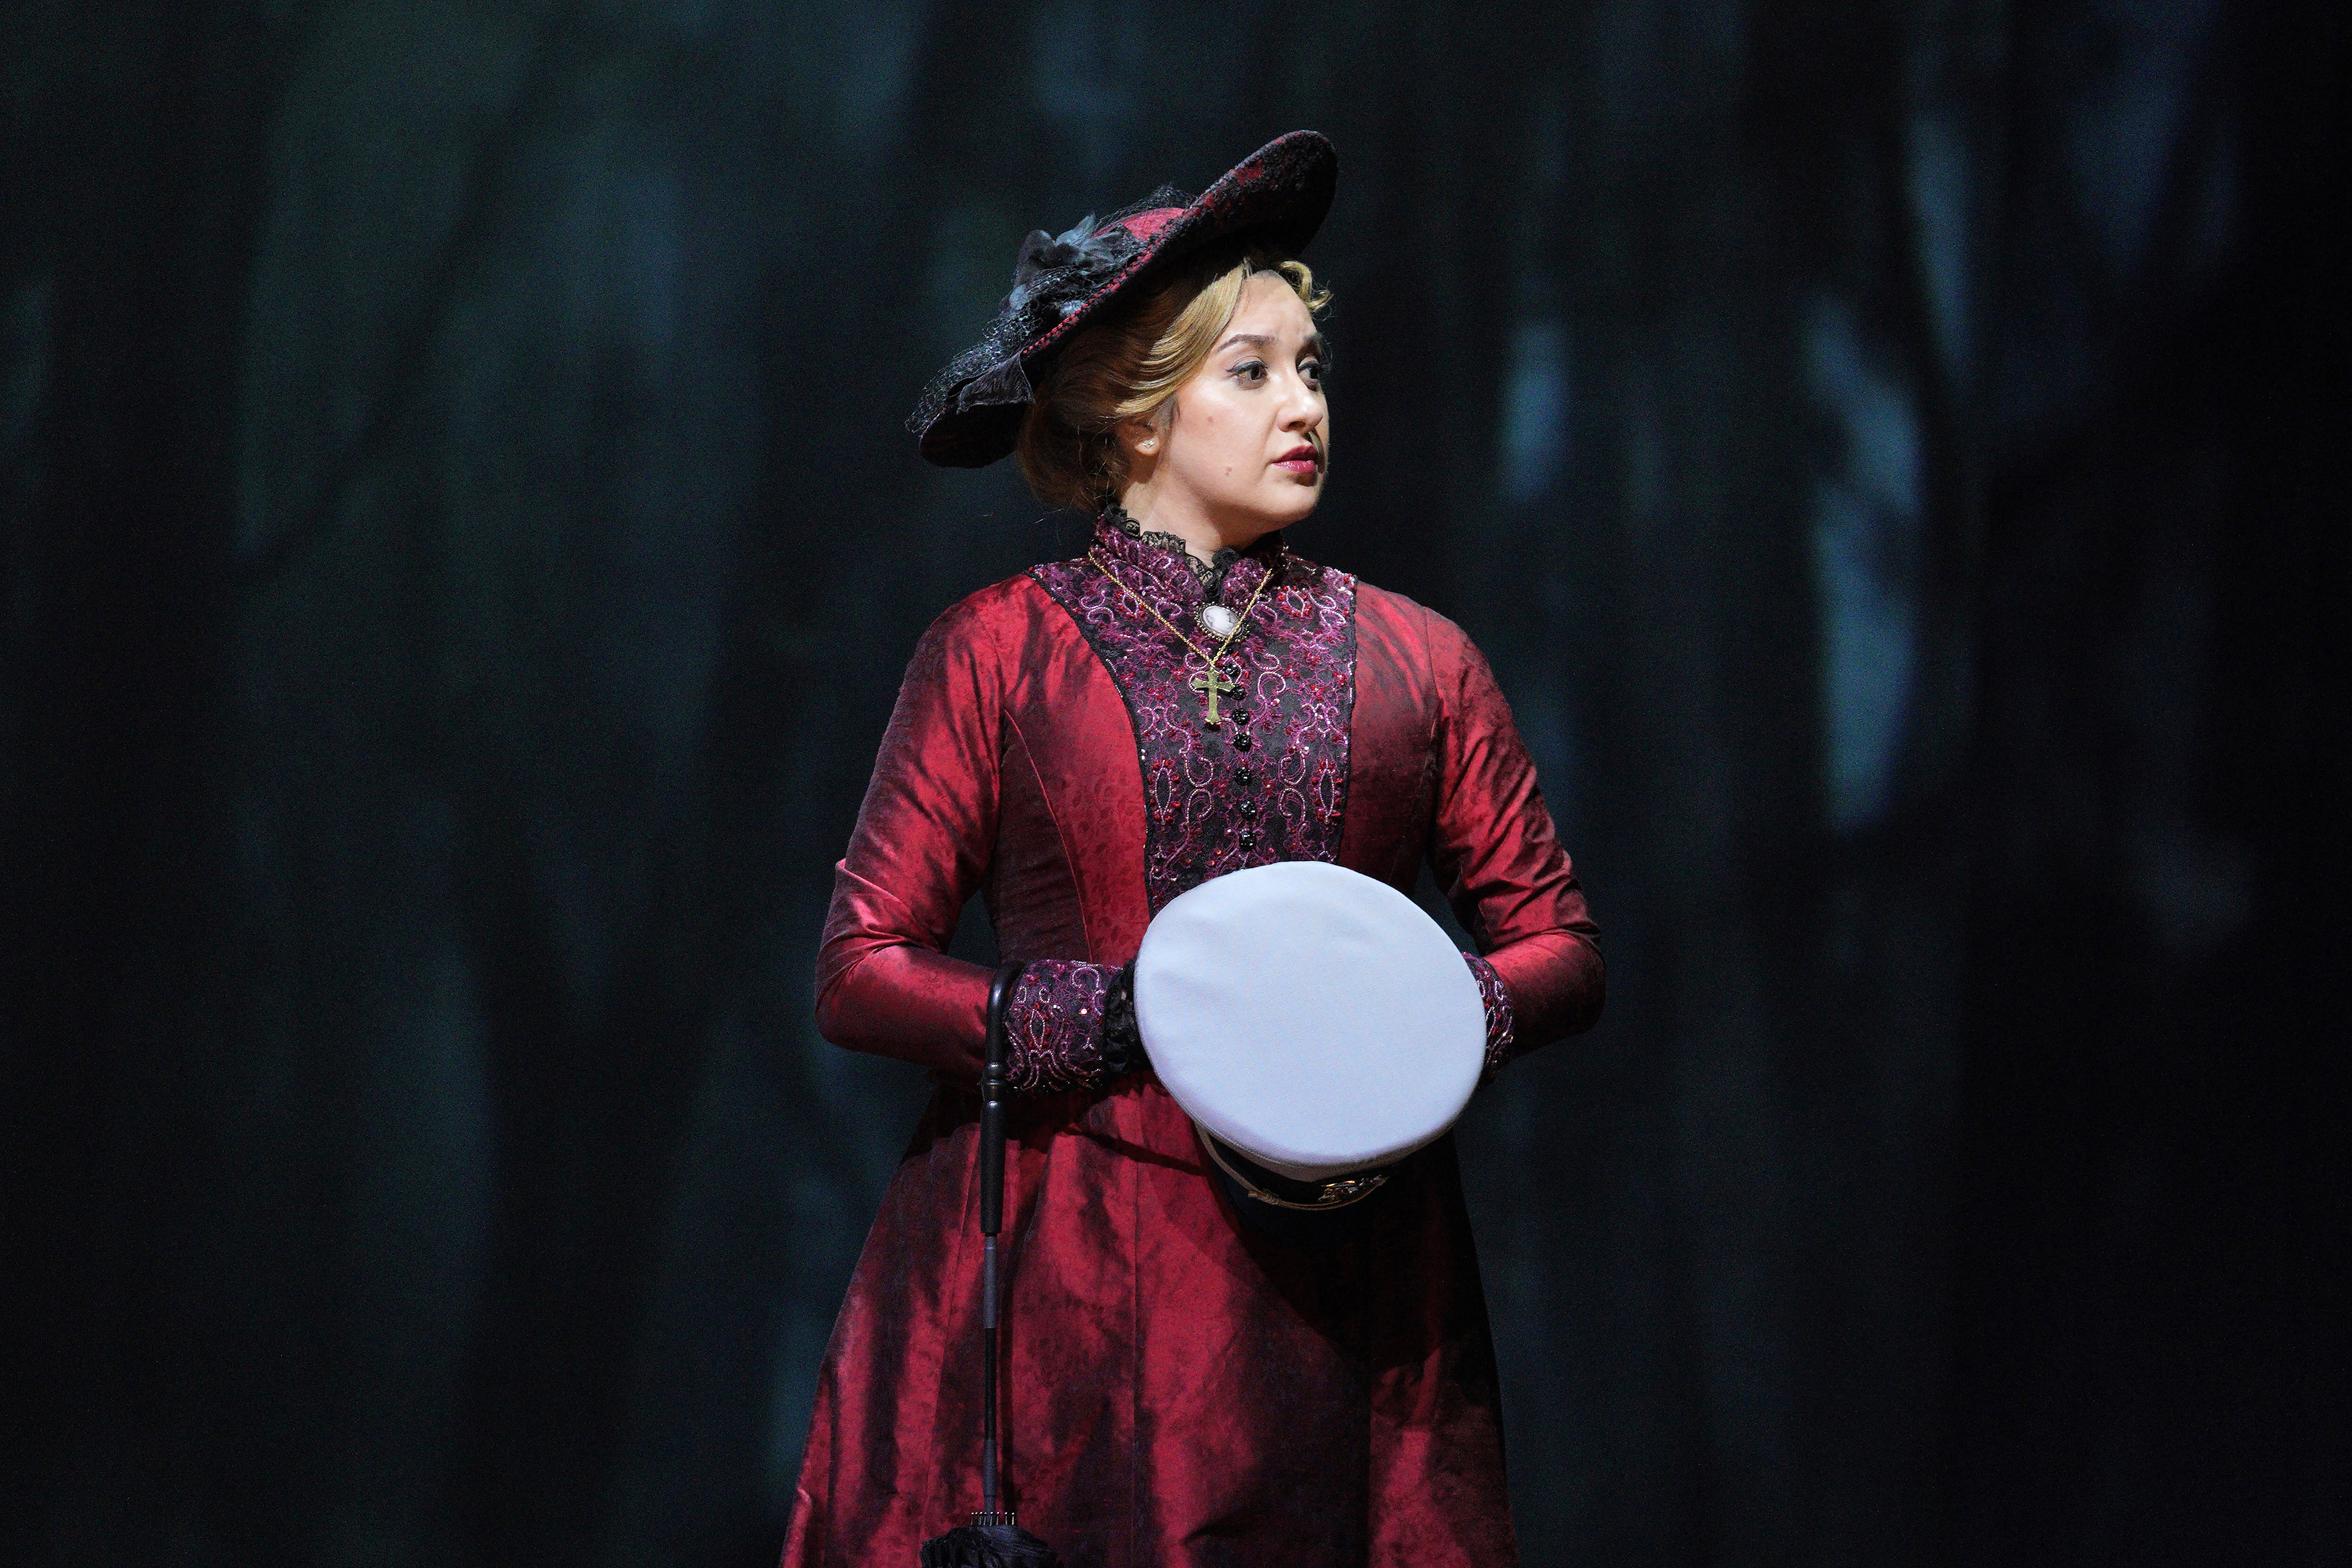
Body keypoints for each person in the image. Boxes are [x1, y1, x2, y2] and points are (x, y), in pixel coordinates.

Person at [780, 131, 1602, 1568]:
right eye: (1255, 371)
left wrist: (1428, 1013)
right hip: (1071, 1265)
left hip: (1357, 1284)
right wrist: (1115, 1017)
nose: (1307, 407)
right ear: (1139, 417)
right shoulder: (997, 654)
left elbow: (1561, 949)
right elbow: (860, 972)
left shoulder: (1420, 659)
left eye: (1312, 369)